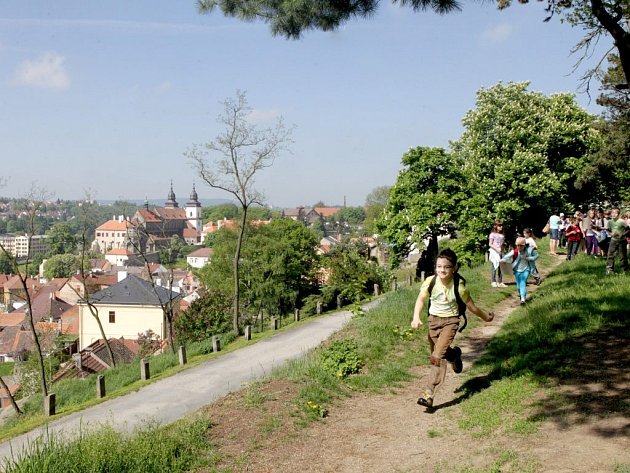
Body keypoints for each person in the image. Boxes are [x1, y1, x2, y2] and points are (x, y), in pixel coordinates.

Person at [411, 248, 494, 409]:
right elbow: (420, 299)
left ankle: (429, 394)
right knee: (441, 352)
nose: (442, 270)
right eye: (439, 266)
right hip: (433, 321)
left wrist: (485, 317)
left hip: (451, 321)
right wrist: (416, 317)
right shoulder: (430, 282)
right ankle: (455, 355)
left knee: (436, 356)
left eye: (446, 267)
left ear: (454, 268)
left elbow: (472, 307)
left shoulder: (459, 287)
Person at [500, 237, 539, 305]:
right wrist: (503, 260)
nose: (519, 247)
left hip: (526, 269)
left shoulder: (529, 250)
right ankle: (521, 296)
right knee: (518, 286)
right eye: (518, 245)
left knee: (523, 282)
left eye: (521, 245)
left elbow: (537, 255)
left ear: (524, 245)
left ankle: (523, 299)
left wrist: (530, 258)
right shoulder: (515, 251)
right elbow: (507, 256)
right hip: (516, 270)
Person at [606, 207, 630, 275]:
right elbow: (608, 229)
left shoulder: (622, 221)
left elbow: (628, 229)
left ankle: (625, 270)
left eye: (616, 213)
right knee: (610, 255)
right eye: (612, 213)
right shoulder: (610, 222)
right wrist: (611, 234)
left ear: (618, 214)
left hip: (622, 240)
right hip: (613, 240)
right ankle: (609, 270)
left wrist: (623, 234)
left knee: (623, 256)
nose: (614, 214)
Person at [488, 221, 507, 288]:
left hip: (500, 252)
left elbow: (501, 244)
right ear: (495, 226)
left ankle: (500, 282)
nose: (501, 227)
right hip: (494, 252)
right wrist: (496, 249)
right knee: (494, 266)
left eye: (501, 225)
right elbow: (490, 244)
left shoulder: (502, 235)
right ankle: (493, 281)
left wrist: (502, 250)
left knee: (501, 267)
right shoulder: (492, 234)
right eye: (499, 226)